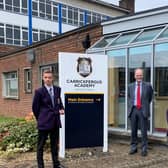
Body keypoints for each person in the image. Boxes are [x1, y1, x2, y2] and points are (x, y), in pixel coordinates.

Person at [32, 70, 65, 168]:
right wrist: (41, 118)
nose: (47, 79)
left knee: (54, 145)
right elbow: (35, 108)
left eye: (49, 77)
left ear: (53, 78)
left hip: (55, 122)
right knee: (40, 146)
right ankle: (41, 166)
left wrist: (61, 108)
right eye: (45, 77)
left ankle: (56, 164)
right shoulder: (39, 92)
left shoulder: (57, 89)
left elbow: (59, 102)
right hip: (44, 123)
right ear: (43, 78)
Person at [128, 68, 153, 157]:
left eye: (140, 75)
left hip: (143, 110)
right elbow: (130, 97)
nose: (139, 76)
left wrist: (144, 106)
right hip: (133, 110)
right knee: (133, 130)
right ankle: (133, 147)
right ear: (135, 76)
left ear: (142, 76)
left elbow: (150, 98)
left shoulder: (148, 86)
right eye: (137, 75)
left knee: (143, 131)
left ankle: (144, 148)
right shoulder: (130, 86)